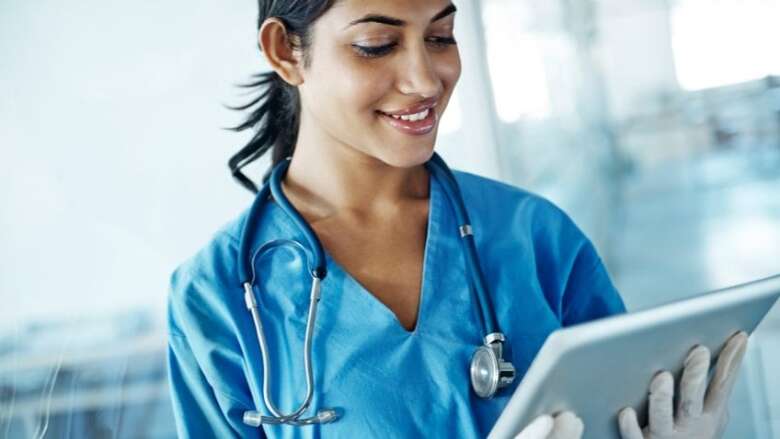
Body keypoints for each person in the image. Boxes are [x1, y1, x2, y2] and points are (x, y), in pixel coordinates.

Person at [165, 1, 746, 438]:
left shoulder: (534, 236)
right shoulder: (216, 297)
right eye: (376, 44)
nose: (425, 80)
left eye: (440, 36)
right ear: (285, 51)